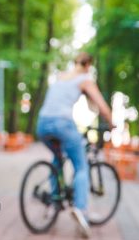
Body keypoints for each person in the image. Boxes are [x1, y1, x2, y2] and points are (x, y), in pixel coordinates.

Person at [36, 52, 114, 238]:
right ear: (88, 65)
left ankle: (55, 201)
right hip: (62, 123)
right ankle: (81, 210)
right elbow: (101, 106)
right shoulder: (85, 78)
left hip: (42, 124)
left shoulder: (61, 76)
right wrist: (111, 123)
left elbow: (88, 106)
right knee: (81, 166)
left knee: (58, 157)